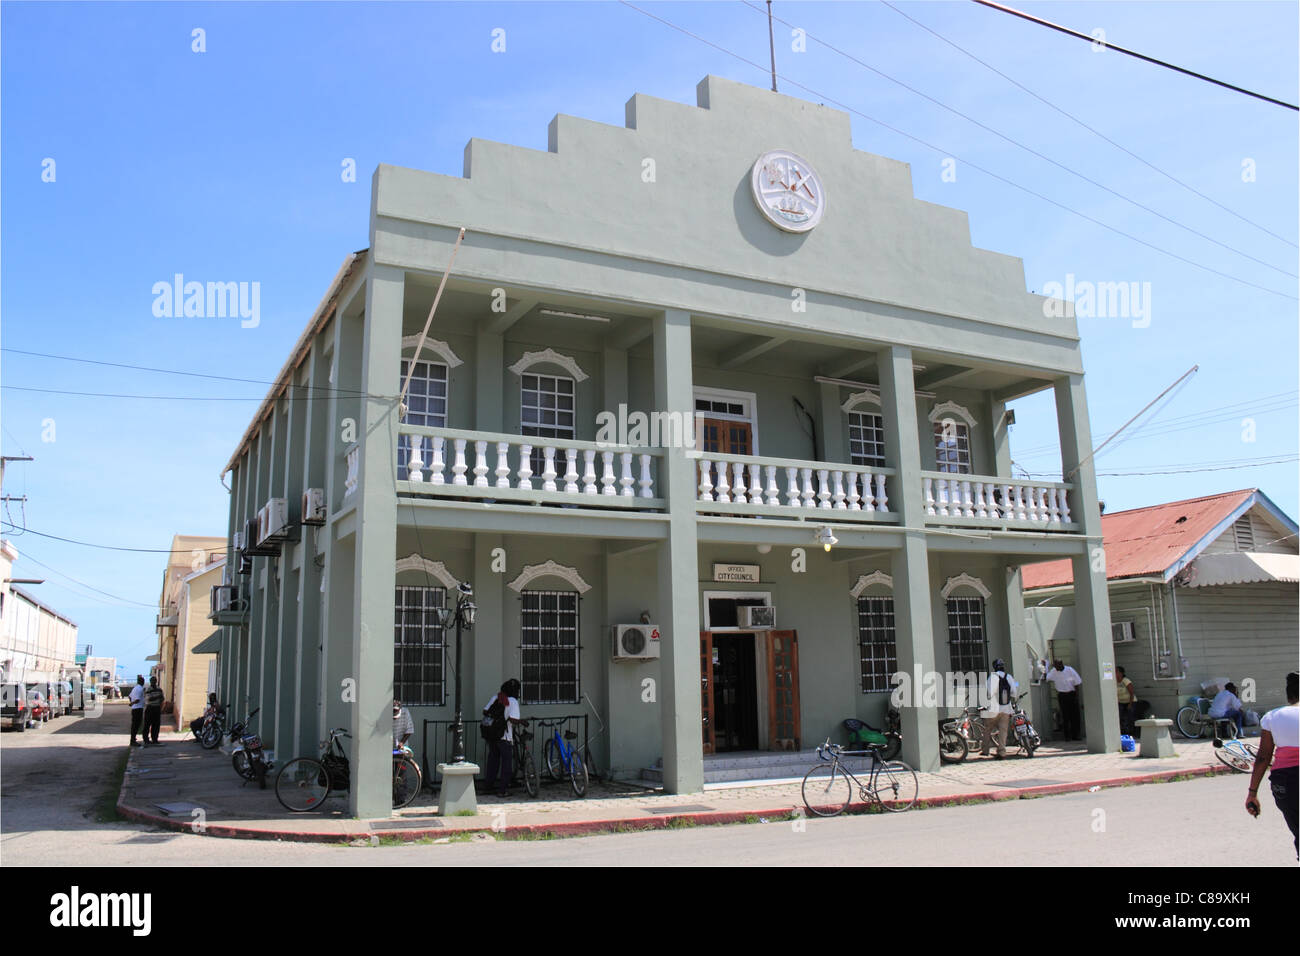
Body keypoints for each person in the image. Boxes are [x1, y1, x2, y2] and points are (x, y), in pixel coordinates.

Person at [1246, 672, 1298, 857]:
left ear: (1289, 695)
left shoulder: (1272, 717)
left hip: (1284, 783)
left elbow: (1263, 757)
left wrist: (1252, 793)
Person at [480, 679, 522, 798]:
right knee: (506, 763)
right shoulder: (512, 701)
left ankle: (488, 786)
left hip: (492, 734)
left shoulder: (497, 697)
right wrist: (521, 721)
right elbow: (513, 719)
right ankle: (503, 790)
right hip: (504, 736)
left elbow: (485, 711)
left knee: (493, 761)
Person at [981, 659, 1018, 759]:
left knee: (987, 729)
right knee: (1003, 731)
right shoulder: (1009, 677)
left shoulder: (992, 677)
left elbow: (989, 693)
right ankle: (1002, 752)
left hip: (993, 709)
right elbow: (1014, 692)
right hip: (1006, 709)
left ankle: (985, 750)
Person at [1043, 659, 1083, 740]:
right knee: (1065, 716)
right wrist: (1046, 666)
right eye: (1055, 666)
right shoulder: (1054, 671)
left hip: (1071, 694)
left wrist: (1076, 696)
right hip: (1062, 695)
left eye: (1057, 666)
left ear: (1061, 664)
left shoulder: (1070, 670)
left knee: (1075, 716)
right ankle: (1067, 736)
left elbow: (1077, 683)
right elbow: (1046, 677)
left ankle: (1076, 735)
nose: (1056, 668)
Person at [1116, 666, 1139, 737]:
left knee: (1131, 717)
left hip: (1130, 701)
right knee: (1121, 717)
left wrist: (1130, 703)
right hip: (1121, 702)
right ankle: (1124, 733)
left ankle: (1134, 733)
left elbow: (1131, 692)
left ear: (1121, 673)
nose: (1115, 673)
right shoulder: (1114, 681)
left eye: (1117, 671)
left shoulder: (1125, 681)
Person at [143, 676, 165, 746]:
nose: (153, 682)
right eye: (152, 681)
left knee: (156, 725)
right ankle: (146, 739)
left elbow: (162, 698)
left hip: (157, 708)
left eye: (155, 680)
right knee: (147, 724)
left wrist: (158, 699)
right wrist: (157, 697)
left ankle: (155, 739)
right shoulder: (148, 689)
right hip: (150, 708)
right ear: (150, 682)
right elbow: (149, 699)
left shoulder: (159, 689)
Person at [128, 675, 146, 747]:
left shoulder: (135, 688)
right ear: (143, 682)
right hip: (138, 708)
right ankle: (132, 741)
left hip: (134, 709)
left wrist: (132, 704)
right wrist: (132, 703)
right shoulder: (140, 689)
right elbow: (137, 700)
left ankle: (133, 739)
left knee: (134, 725)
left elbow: (130, 696)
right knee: (136, 725)